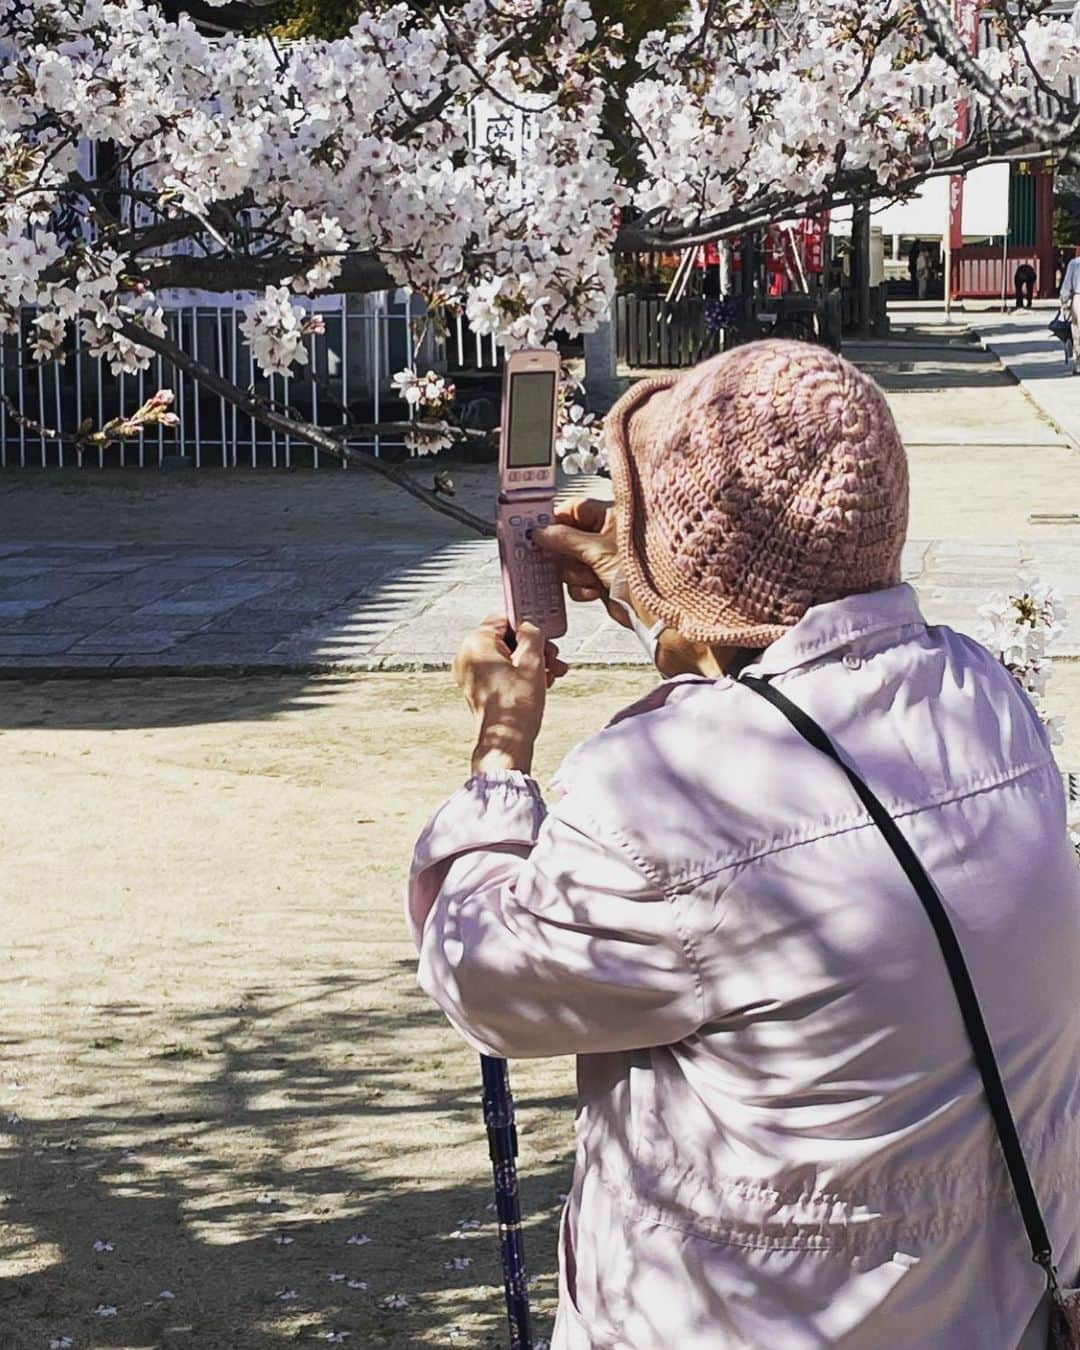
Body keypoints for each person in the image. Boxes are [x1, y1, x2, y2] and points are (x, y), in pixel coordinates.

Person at [407, 342, 1080, 1349]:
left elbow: (487, 980)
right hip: (985, 1301)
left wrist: (501, 750)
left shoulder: (659, 785)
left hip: (752, 1318)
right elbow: (794, 692)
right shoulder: (982, 695)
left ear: (685, 556)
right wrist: (659, 600)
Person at [1060, 252, 1080, 375]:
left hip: (1079, 298)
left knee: (1077, 332)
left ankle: (1079, 364)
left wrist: (1064, 302)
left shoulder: (1075, 263)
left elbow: (1067, 286)